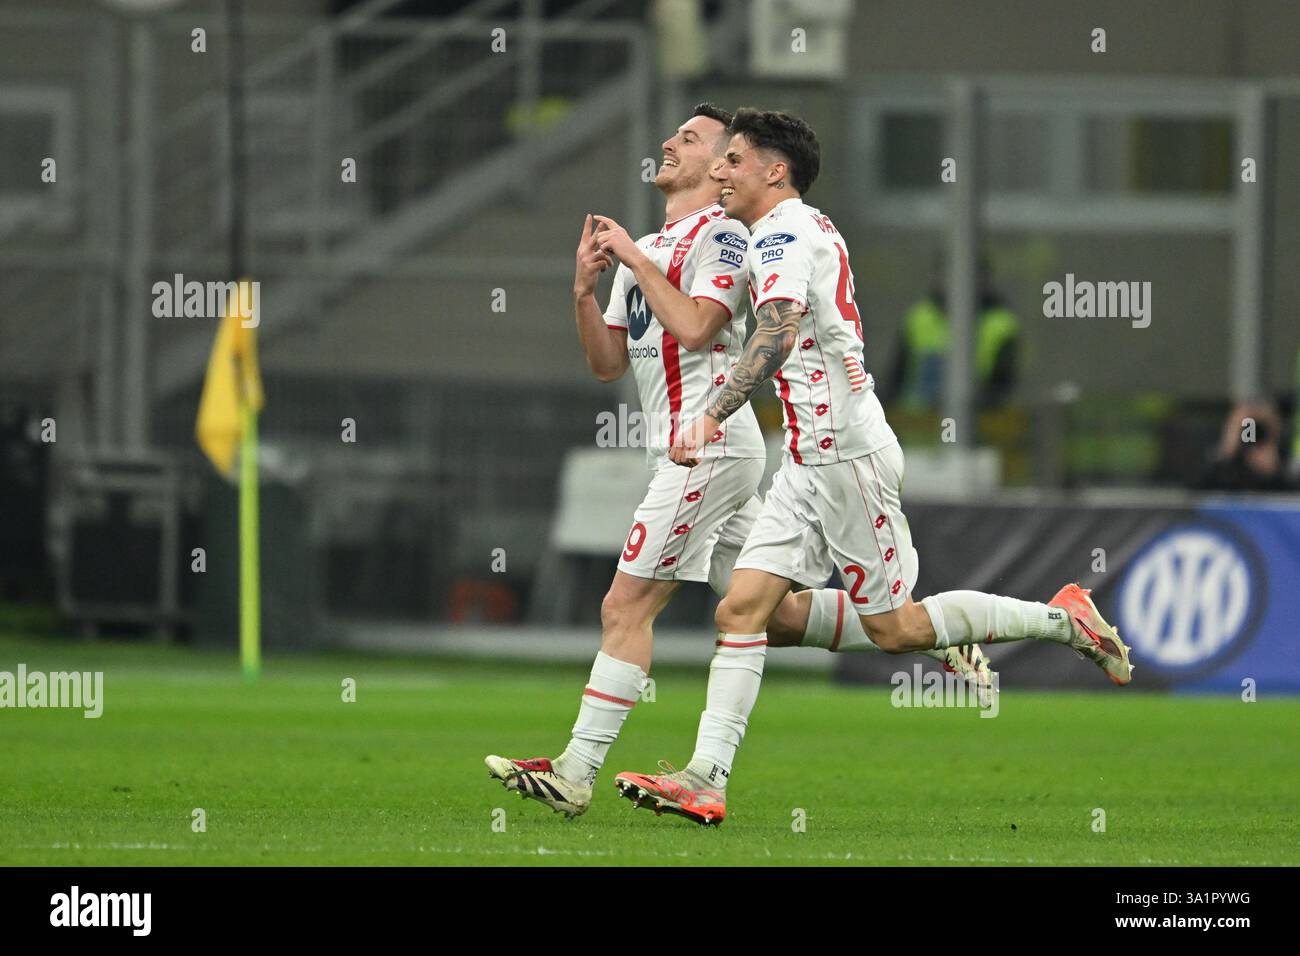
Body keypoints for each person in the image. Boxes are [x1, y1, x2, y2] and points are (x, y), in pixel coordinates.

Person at [612, 108, 1132, 827]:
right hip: (805, 461)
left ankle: (1061, 618)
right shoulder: (784, 231)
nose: (721, 172)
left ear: (775, 171)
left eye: (734, 160)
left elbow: (779, 332)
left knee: (898, 632)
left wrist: (711, 411)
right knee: (748, 613)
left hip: (848, 459)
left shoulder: (787, 232)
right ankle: (706, 778)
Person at [484, 105, 993, 822]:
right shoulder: (654, 245)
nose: (671, 144)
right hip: (687, 446)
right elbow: (605, 364)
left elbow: (697, 328)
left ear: (727, 160)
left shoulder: (720, 235)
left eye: (693, 142)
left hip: (712, 450)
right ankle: (934, 630)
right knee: (770, 616)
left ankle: (575, 770)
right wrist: (583, 289)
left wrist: (633, 258)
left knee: (624, 605)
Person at [889, 255, 1020, 411]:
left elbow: (1002, 387)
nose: (956, 283)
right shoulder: (918, 318)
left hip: (975, 429)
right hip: (917, 426)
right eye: (949, 274)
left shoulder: (1002, 325)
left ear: (983, 280)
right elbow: (895, 380)